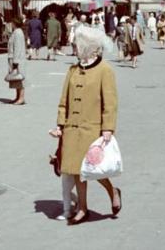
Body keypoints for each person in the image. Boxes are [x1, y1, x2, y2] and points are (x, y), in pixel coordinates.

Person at [50, 26, 121, 225]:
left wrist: (108, 127)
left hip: (93, 129)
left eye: (78, 44)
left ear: (89, 47)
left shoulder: (105, 70)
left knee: (95, 169)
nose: (75, 46)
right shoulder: (72, 70)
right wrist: (60, 125)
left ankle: (112, 191)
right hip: (72, 129)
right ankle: (82, 208)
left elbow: (111, 102)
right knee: (77, 170)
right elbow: (64, 100)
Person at [6, 17, 26, 105]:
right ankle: (17, 97)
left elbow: (17, 47)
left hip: (17, 59)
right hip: (14, 58)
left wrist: (15, 61)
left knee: (19, 78)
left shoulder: (18, 32)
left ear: (15, 23)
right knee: (16, 79)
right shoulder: (16, 32)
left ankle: (21, 98)